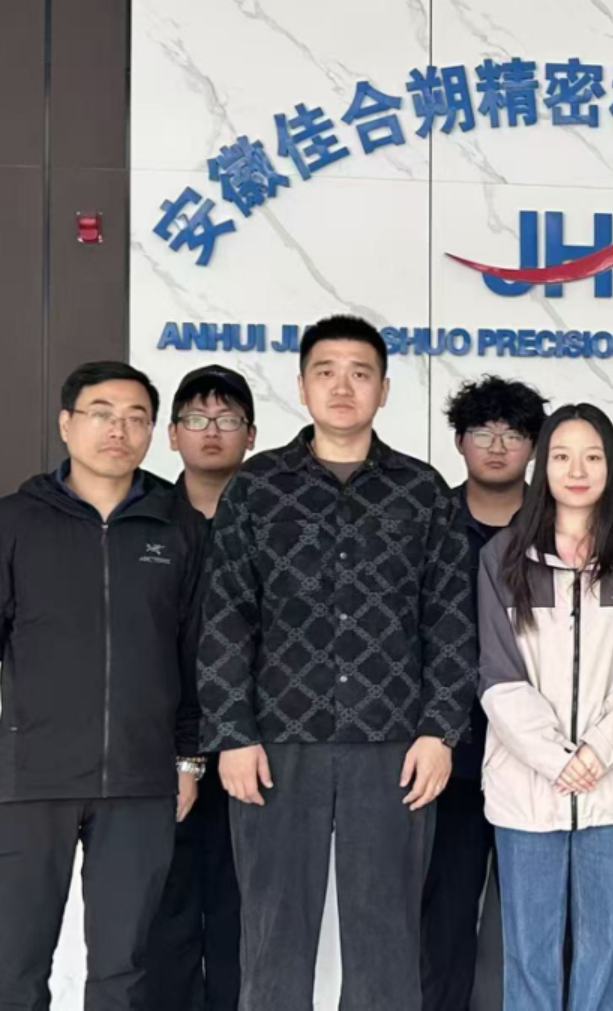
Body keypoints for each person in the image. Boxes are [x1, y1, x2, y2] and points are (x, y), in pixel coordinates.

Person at [197, 314, 476, 1011]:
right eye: (326, 372)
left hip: (394, 745)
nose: (343, 387)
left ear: (384, 389)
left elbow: (450, 622)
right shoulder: (256, 487)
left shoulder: (422, 491)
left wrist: (440, 732)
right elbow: (226, 617)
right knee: (273, 936)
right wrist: (231, 734)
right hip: (275, 743)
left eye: (359, 374)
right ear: (301, 386)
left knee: (386, 941)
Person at [0, 360, 208, 1011]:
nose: (119, 430)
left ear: (153, 432)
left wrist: (188, 760)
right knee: (19, 969)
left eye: (136, 418)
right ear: (66, 424)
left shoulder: (180, 528)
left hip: (141, 785)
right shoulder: (10, 525)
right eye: (102, 414)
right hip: (35, 780)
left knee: (124, 972)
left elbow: (199, 656)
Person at [478, 403, 613, 1011]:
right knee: (529, 956)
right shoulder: (504, 557)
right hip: (527, 787)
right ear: (542, 466)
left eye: (592, 457)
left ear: (611, 466)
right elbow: (498, 676)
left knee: (603, 953)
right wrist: (556, 759)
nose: (577, 470)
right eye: (562, 456)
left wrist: (596, 753)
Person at [422, 374, 548, 1011]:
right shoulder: (427, 521)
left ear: (534, 447)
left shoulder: (560, 527)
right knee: (443, 916)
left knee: (541, 921)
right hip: (448, 756)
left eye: (513, 434)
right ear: (459, 442)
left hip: (541, 757)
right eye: (482, 433)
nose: (497, 447)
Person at [141, 364, 257, 1011]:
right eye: (196, 419)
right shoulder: (145, 522)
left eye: (228, 419)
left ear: (251, 435)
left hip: (253, 746)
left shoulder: (273, 520)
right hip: (158, 745)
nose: (212, 431)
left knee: (245, 910)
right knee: (167, 909)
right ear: (172, 434)